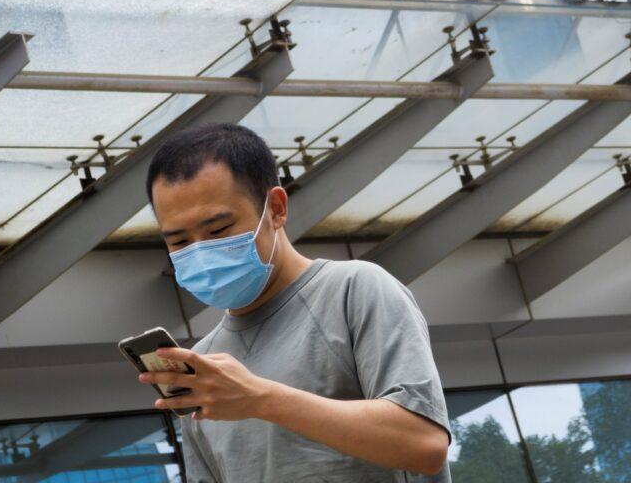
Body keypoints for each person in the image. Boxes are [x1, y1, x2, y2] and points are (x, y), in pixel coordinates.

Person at [138, 122, 451, 482]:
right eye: (179, 242)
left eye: (218, 231)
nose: (202, 252)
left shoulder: (354, 290)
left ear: (275, 208)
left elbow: (424, 445)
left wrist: (261, 398)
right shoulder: (207, 370)